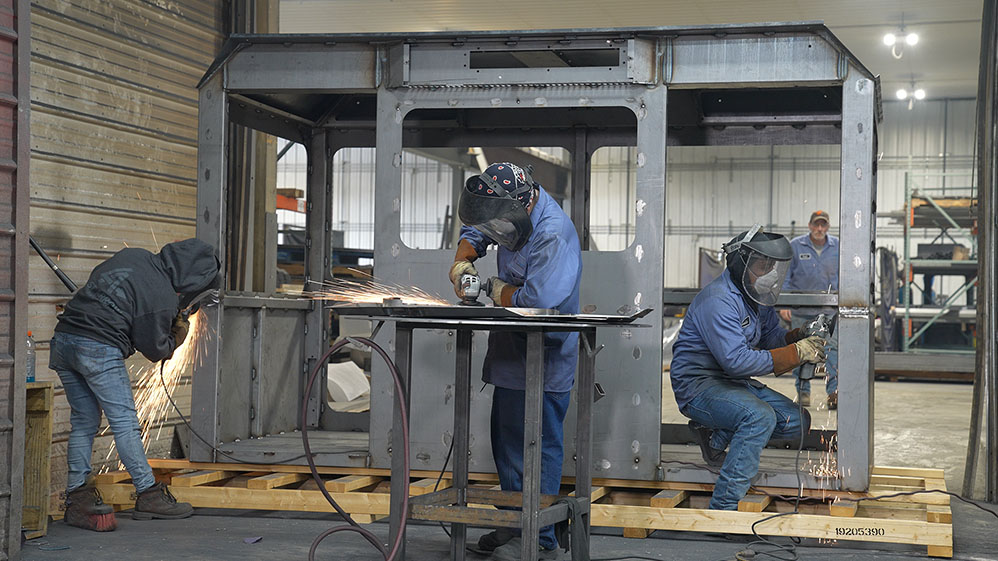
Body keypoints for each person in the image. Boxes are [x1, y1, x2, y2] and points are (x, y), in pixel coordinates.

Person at [448, 162, 582, 560]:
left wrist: (493, 287)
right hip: (510, 350)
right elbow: (478, 226)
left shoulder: (553, 234)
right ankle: (512, 521)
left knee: (539, 447)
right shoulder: (506, 208)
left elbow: (538, 302)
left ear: (522, 206)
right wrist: (464, 260)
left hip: (547, 352)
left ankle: (539, 535)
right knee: (507, 443)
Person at [51, 238, 221, 531]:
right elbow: (156, 350)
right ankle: (148, 493)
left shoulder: (134, 255)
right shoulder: (162, 295)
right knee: (125, 424)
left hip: (64, 341)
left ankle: (77, 497)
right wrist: (180, 331)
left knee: (84, 421)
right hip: (97, 347)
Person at [670, 226, 825, 510]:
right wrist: (796, 353)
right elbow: (737, 361)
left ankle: (716, 437)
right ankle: (723, 508)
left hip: (732, 382)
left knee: (797, 422)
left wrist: (797, 336)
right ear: (742, 263)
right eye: (761, 266)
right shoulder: (719, 301)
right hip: (698, 384)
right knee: (759, 418)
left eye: (771, 267)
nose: (768, 274)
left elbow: (769, 340)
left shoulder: (754, 296)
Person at [779, 210, 839, 409]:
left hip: (829, 310)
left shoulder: (838, 246)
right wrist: (785, 302)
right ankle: (803, 392)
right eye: (816, 225)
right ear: (810, 225)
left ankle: (834, 393)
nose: (819, 229)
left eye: (823, 225)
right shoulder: (796, 246)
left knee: (832, 351)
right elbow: (786, 276)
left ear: (828, 227)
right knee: (802, 351)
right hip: (801, 309)